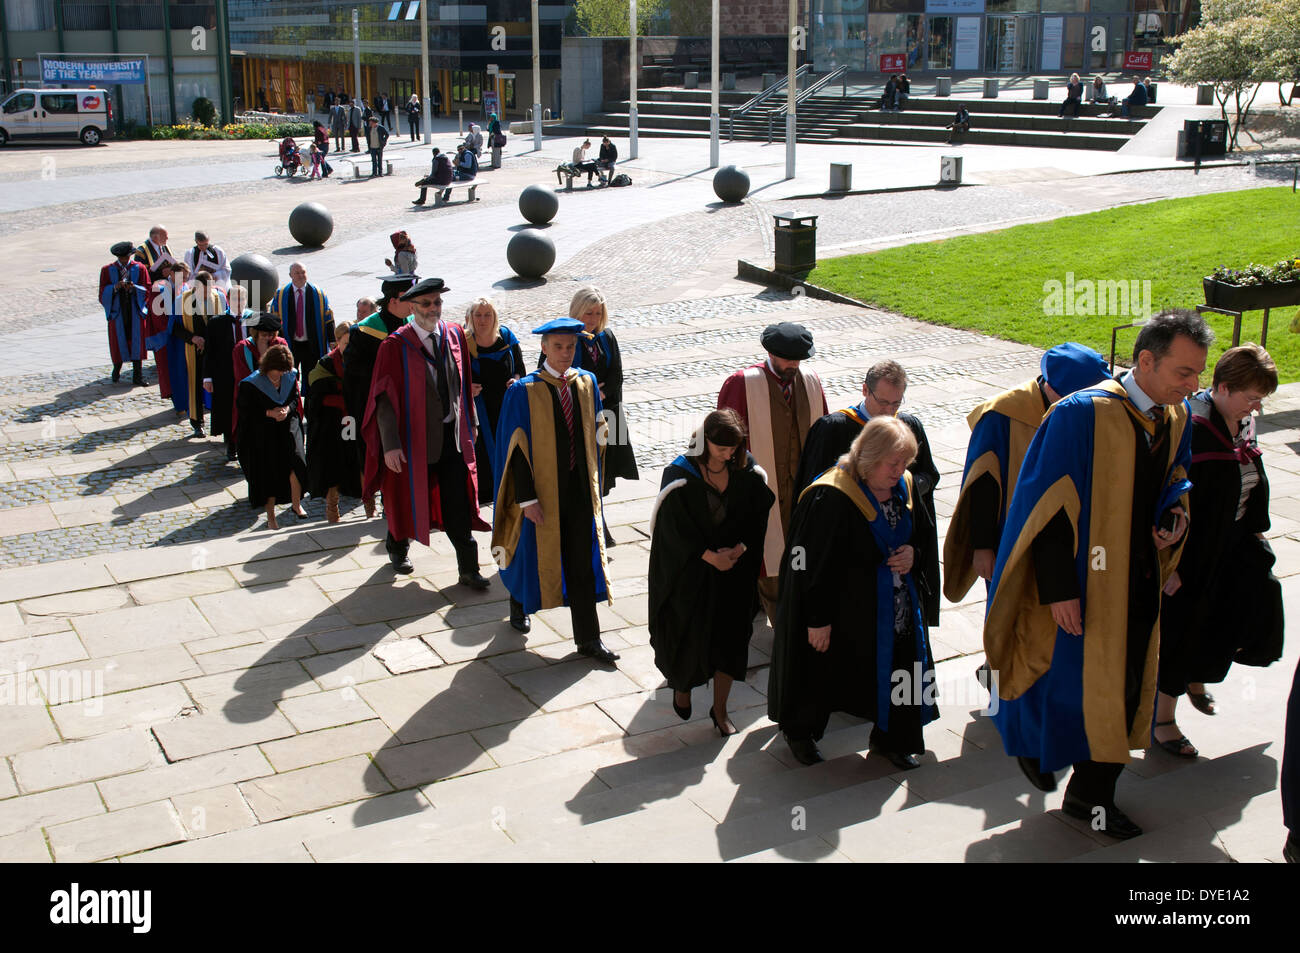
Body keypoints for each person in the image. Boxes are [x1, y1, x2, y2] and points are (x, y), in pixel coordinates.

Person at [986, 310, 1212, 840]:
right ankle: (1053, 764)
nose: (1193, 385)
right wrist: (1059, 591)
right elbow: (1044, 509)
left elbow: (1176, 482)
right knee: (1070, 683)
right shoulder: (1080, 414)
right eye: (1184, 372)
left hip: (1137, 578)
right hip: (1084, 582)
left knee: (1126, 685)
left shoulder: (1175, 419)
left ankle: (1090, 793)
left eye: (1198, 373)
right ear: (1147, 360)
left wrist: (1171, 520)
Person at [768, 416, 939, 767]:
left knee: (900, 669)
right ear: (869, 458)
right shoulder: (831, 496)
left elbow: (923, 534)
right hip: (841, 610)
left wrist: (914, 554)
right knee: (821, 672)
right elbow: (809, 566)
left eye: (904, 463)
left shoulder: (904, 486)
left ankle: (893, 740)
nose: (900, 471)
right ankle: (801, 733)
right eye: (893, 463)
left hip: (893, 607)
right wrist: (817, 619)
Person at [1156, 344, 1283, 757]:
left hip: (1233, 543)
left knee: (1249, 602)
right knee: (1182, 629)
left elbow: (1249, 477)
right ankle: (1162, 719)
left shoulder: (1240, 423)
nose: (1256, 408)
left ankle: (1200, 673)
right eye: (1251, 398)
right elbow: (1164, 495)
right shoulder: (1190, 428)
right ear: (1223, 388)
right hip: (1192, 553)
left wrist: (1255, 532)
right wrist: (1167, 565)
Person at [492, 317, 618, 664]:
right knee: (526, 551)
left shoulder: (586, 382)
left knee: (580, 562)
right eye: (559, 346)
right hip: (540, 492)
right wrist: (527, 498)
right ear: (544, 348)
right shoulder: (524, 390)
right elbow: (514, 450)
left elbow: (597, 434)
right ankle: (518, 604)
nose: (566, 353)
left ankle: (588, 638)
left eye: (571, 347)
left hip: (578, 492)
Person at [944, 343, 1111, 604]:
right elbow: (982, 484)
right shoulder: (1002, 415)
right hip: (1011, 537)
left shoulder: (1094, 412)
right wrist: (982, 546)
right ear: (1052, 390)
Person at [649, 409, 774, 735]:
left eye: (733, 448)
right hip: (691, 575)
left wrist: (741, 549)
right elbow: (671, 531)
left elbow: (757, 515)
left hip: (733, 573)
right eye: (721, 449)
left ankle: (720, 711)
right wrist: (707, 556)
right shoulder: (680, 475)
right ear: (705, 443)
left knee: (730, 643)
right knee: (688, 639)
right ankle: (682, 687)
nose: (728, 455)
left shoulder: (746, 472)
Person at [361, 277, 492, 584]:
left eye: (437, 303)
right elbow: (383, 399)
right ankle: (398, 547)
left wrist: (470, 423)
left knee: (457, 501)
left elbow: (463, 382)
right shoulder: (394, 346)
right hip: (412, 441)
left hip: (452, 437)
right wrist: (390, 444)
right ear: (412, 307)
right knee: (406, 498)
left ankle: (469, 570)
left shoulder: (454, 334)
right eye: (426, 303)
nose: (433, 309)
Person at [794, 359, 941, 627]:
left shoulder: (908, 426)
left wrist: (903, 487)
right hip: (851, 554)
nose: (889, 411)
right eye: (883, 402)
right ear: (865, 390)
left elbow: (929, 474)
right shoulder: (834, 428)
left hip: (896, 551)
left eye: (896, 404)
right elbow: (813, 491)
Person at [717, 322, 827, 622]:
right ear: (770, 353)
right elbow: (724, 441)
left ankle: (790, 609)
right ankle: (783, 624)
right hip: (761, 491)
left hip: (802, 489)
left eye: (799, 358)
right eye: (787, 358)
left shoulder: (811, 381)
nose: (794, 364)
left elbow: (824, 434)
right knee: (768, 555)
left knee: (801, 553)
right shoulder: (742, 383)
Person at [344, 274, 418, 518]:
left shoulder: (412, 324)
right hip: (379, 407)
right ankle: (388, 502)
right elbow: (354, 375)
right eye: (410, 298)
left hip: (409, 405)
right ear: (393, 300)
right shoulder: (365, 331)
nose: (414, 304)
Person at [567, 287, 639, 509]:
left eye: (598, 313)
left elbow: (616, 373)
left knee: (606, 469)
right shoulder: (564, 338)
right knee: (584, 467)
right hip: (578, 414)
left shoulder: (606, 337)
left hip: (607, 412)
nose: (593, 319)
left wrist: (603, 393)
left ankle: (598, 516)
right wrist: (586, 391)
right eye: (588, 313)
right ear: (577, 312)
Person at [237, 343, 307, 530]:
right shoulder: (251, 384)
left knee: (297, 462)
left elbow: (294, 399)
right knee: (269, 473)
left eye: (283, 371)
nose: (280, 375)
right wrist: (269, 413)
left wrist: (287, 409)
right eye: (277, 371)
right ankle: (271, 517)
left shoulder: (290, 375)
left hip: (288, 427)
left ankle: (296, 504)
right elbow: (245, 411)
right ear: (269, 366)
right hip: (264, 432)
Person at [464, 297, 524, 505]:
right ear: (470, 318)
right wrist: (466, 388)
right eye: (478, 315)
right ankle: (487, 494)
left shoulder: (506, 337)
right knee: (482, 452)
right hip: (478, 409)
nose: (483, 320)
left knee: (510, 446)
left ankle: (513, 488)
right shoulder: (464, 342)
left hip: (505, 405)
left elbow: (520, 370)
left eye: (487, 314)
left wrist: (515, 381)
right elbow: (452, 377)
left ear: (495, 316)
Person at [307, 323, 362, 523]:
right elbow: (316, 395)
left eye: (352, 342)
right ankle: (332, 510)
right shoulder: (325, 364)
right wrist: (343, 397)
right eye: (345, 342)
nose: (349, 346)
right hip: (332, 423)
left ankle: (370, 506)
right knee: (334, 466)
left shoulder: (360, 360)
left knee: (359, 462)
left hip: (353, 421)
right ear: (337, 342)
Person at [203, 283, 252, 462]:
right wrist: (207, 377)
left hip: (250, 373)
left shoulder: (254, 319)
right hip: (226, 374)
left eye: (241, 298)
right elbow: (210, 352)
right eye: (234, 299)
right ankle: (231, 445)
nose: (238, 302)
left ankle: (247, 443)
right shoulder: (217, 322)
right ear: (228, 300)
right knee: (227, 410)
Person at [174, 270, 225, 438]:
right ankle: (197, 423)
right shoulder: (182, 300)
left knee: (218, 384)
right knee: (195, 384)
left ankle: (219, 422)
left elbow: (225, 322)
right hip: (193, 349)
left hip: (214, 349)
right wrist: (193, 338)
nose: (207, 294)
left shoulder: (219, 298)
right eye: (203, 290)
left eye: (209, 290)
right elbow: (174, 328)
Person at [269, 262, 334, 391]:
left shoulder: (318, 294)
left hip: (312, 342)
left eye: (303, 272)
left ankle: (310, 405)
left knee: (311, 376)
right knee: (288, 375)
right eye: (297, 273)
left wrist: (332, 340)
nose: (300, 276)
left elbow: (328, 317)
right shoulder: (281, 294)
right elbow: (274, 317)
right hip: (290, 342)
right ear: (290, 275)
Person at [231, 311, 290, 442]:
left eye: (271, 335)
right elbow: (243, 378)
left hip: (277, 397)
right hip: (253, 399)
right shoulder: (242, 348)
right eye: (263, 334)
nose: (267, 338)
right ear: (255, 332)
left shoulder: (280, 344)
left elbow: (287, 372)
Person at [99, 240, 150, 386]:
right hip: (118, 310)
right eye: (124, 257)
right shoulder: (107, 270)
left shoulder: (139, 268)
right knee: (118, 340)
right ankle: (116, 369)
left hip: (134, 308)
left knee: (136, 341)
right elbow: (103, 291)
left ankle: (137, 375)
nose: (126, 260)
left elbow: (146, 288)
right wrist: (115, 287)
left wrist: (134, 288)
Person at [145, 259, 190, 418]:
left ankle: (184, 399)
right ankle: (175, 399)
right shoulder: (159, 288)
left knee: (183, 370)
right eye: (180, 277)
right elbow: (157, 316)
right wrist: (172, 329)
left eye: (185, 278)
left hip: (181, 336)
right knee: (167, 369)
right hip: (165, 337)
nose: (183, 281)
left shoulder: (185, 288)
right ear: (171, 273)